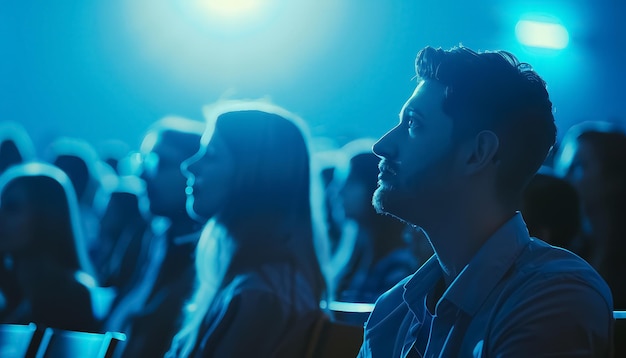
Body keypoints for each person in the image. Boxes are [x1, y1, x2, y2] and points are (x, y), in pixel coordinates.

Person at [358, 45, 614, 357]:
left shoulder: (555, 296)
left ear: (478, 154)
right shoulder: (393, 310)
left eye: (413, 124)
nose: (381, 145)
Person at [167, 101, 327, 357]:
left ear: (258, 174)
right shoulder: (254, 283)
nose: (190, 166)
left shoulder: (259, 295)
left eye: (211, 156)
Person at [110, 116, 207, 358]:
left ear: (194, 170)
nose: (142, 174)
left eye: (158, 162)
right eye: (142, 160)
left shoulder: (205, 261)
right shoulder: (156, 240)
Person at [0, 162, 105, 331]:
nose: (0, 216)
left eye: (12, 208)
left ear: (47, 219)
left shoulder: (71, 296)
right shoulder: (11, 288)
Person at [553, 121, 626, 310]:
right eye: (563, 166)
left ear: (615, 177)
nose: (564, 176)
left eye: (578, 166)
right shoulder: (563, 250)